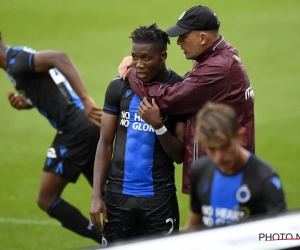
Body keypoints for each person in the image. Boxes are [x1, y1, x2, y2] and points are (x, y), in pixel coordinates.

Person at [118, 5, 255, 195]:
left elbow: (167, 99)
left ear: (202, 37)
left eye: (183, 36)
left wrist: (133, 72)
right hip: (223, 168)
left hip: (221, 172)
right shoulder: (220, 55)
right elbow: (189, 87)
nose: (179, 42)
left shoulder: (219, 67)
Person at [0, 32, 104, 244]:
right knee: (106, 196)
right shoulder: (16, 59)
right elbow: (50, 84)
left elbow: (60, 57)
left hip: (74, 129)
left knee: (46, 198)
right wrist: (29, 102)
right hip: (86, 128)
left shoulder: (16, 61)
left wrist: (85, 98)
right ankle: (133, 239)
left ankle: (105, 239)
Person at [90, 23, 186, 246]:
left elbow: (180, 155)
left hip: (159, 199)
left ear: (163, 56)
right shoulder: (119, 87)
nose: (139, 65)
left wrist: (158, 125)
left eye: (146, 58)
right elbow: (105, 143)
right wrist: (97, 195)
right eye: (135, 57)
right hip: (117, 197)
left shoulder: (179, 90)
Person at [185, 102, 286, 229]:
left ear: (240, 136)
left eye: (225, 146)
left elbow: (280, 237)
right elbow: (194, 222)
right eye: (211, 149)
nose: (219, 157)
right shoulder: (200, 171)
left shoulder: (265, 181)